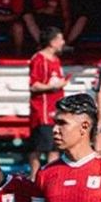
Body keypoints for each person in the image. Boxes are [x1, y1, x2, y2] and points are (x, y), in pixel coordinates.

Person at [27, 27, 67, 179]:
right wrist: (53, 86)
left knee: (55, 148)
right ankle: (34, 178)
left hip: (55, 111)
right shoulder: (39, 59)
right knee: (38, 147)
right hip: (42, 112)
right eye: (61, 39)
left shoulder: (56, 60)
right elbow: (34, 85)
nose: (63, 42)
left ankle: (52, 178)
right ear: (52, 41)